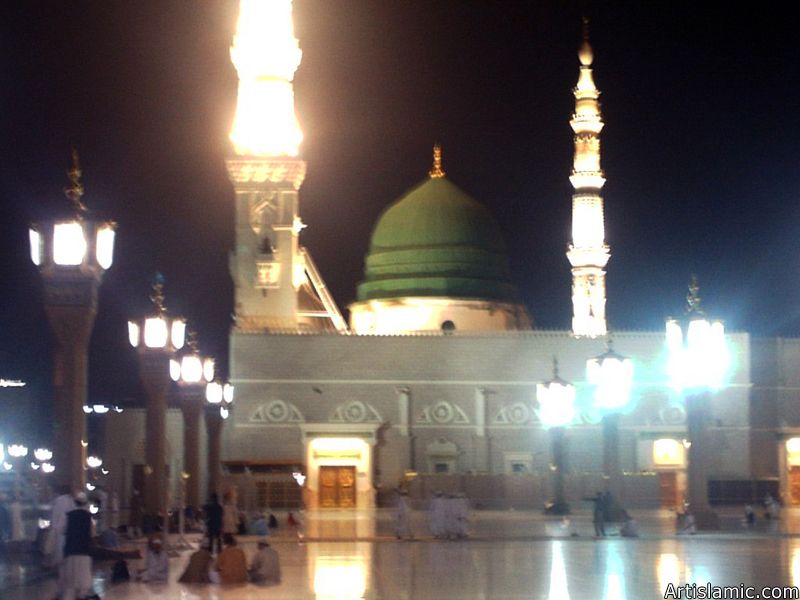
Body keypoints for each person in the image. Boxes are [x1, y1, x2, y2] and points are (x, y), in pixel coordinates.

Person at [62, 492, 94, 600]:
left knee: (71, 578)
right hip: (84, 550)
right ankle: (82, 595)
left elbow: (63, 530)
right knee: (83, 576)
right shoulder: (89, 517)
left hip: (71, 549)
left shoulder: (69, 516)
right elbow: (92, 534)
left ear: (74, 502)